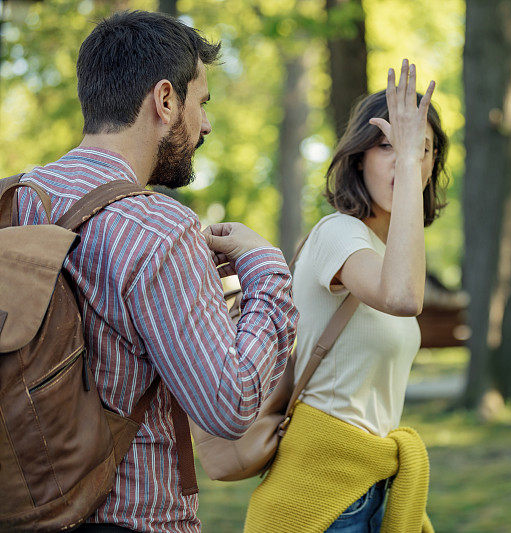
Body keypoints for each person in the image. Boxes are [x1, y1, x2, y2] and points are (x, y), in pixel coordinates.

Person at [12, 11, 298, 533]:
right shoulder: (160, 230)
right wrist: (265, 268)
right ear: (165, 100)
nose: (206, 123)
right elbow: (229, 405)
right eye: (202, 103)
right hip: (131, 519)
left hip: (26, 510)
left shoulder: (18, 201)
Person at [244, 60, 446, 533]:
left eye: (421, 147)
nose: (406, 159)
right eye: (388, 144)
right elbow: (401, 296)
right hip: (323, 492)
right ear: (359, 158)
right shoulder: (338, 234)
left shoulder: (386, 250)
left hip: (372, 484)